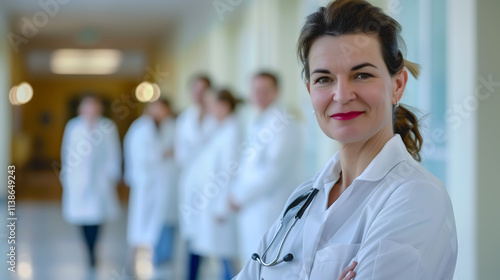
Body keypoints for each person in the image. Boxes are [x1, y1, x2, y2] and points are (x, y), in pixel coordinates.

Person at [234, 1, 458, 279]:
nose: (341, 95)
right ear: (310, 91)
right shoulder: (303, 198)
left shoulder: (416, 198)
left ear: (397, 85)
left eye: (361, 75)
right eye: (324, 79)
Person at [229, 72, 304, 265]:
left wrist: (240, 195)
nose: (259, 95)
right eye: (255, 90)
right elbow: (248, 165)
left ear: (277, 91)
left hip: (268, 206)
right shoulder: (258, 120)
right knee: (254, 262)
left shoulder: (282, 123)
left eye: (265, 90)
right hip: (252, 206)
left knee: (266, 262)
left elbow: (274, 170)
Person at [182, 89, 242, 280]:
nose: (209, 110)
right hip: (211, 201)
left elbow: (229, 172)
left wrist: (222, 206)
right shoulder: (220, 128)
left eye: (212, 105)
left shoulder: (232, 131)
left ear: (224, 106)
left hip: (220, 205)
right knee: (219, 251)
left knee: (225, 254)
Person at [60, 93, 122, 268]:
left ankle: (93, 251)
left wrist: (112, 173)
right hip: (78, 179)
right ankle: (88, 249)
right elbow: (67, 152)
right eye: (87, 106)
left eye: (94, 105)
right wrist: (66, 174)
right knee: (81, 217)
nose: (91, 110)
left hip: (100, 179)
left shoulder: (107, 126)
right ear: (81, 109)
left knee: (97, 216)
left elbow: (113, 152)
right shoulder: (73, 126)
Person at [124, 98, 177, 275]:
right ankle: (132, 262)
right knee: (138, 223)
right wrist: (163, 153)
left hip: (162, 184)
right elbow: (140, 154)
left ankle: (159, 261)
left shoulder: (169, 126)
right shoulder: (141, 128)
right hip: (145, 183)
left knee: (159, 223)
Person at [175, 75, 217, 280]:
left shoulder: (218, 116)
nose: (199, 95)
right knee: (193, 235)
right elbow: (180, 153)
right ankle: (191, 276)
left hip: (215, 184)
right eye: (195, 90)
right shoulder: (184, 118)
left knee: (215, 237)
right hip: (191, 183)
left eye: (204, 90)